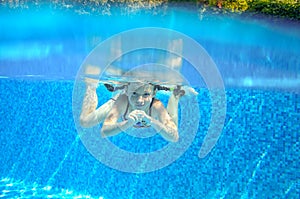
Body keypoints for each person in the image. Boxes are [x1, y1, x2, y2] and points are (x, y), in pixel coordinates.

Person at [100, 82, 181, 142]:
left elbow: (174, 137)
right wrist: (127, 123)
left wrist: (151, 120)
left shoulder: (156, 106)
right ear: (127, 92)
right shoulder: (123, 101)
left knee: (172, 116)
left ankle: (175, 96)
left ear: (153, 94)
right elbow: (104, 131)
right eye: (134, 93)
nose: (139, 100)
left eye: (146, 94)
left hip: (154, 90)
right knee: (87, 121)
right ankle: (92, 87)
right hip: (124, 94)